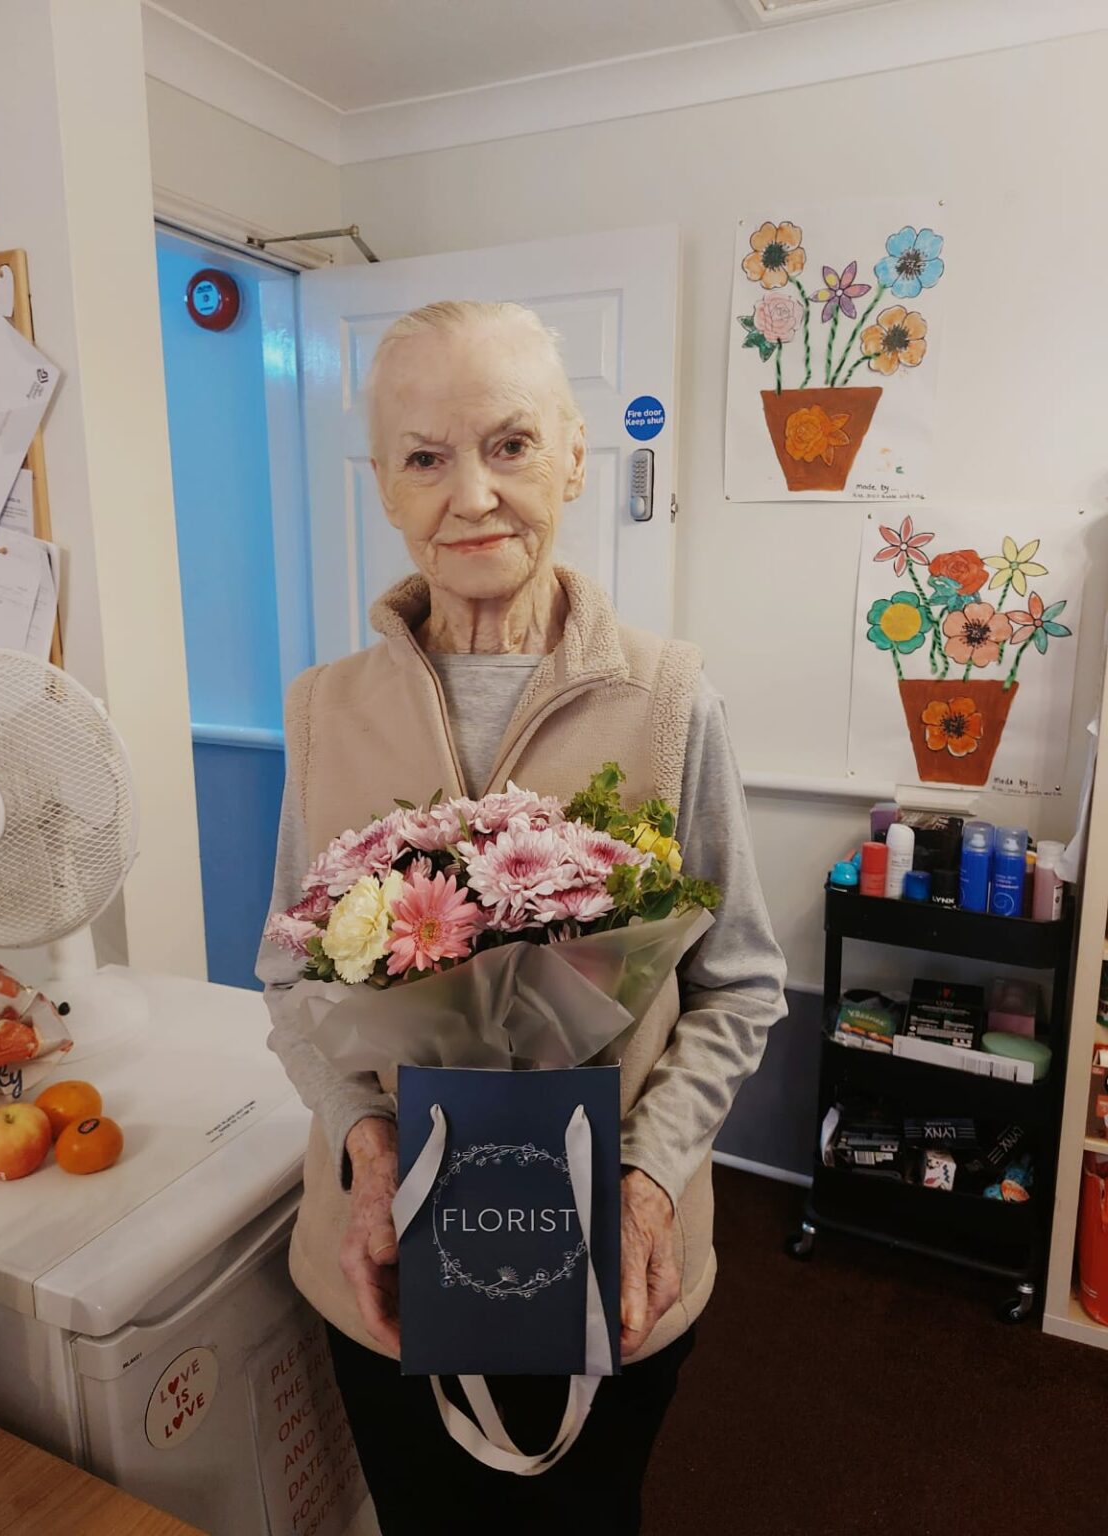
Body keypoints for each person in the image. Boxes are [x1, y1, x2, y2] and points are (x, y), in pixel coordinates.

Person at [257, 300, 787, 1534]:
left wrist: (646, 1180)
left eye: (510, 445)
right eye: (425, 456)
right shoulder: (324, 710)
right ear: (382, 484)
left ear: (574, 457)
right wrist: (363, 1145)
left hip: (614, 1256)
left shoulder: (670, 701)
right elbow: (289, 978)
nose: (473, 495)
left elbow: (741, 982)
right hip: (385, 1250)